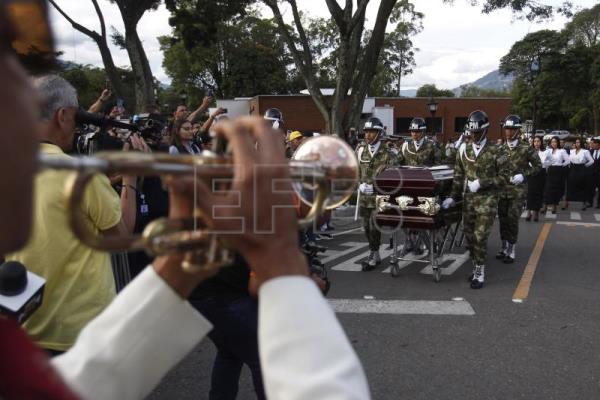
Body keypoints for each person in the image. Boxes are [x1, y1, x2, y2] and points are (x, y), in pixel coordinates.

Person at [0, 53, 370, 399]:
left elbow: (91, 375)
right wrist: (288, 271)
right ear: (64, 116)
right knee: (261, 355)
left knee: (231, 354)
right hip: (92, 320)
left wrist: (179, 270)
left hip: (42, 324)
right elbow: (122, 232)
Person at [4, 75, 138, 355]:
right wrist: (130, 179)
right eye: (77, 116)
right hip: (81, 332)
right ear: (62, 115)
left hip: (24, 325)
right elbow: (122, 236)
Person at [442, 110, 509, 289]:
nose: (474, 136)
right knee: (470, 236)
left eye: (477, 132)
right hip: (469, 200)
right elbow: (458, 175)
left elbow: (505, 177)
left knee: (480, 236)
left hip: (487, 200)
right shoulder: (464, 149)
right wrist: (452, 197)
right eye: (471, 132)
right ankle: (475, 263)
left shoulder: (496, 150)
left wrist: (482, 182)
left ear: (486, 130)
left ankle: (479, 270)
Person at [495, 115, 542, 263]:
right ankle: (503, 247)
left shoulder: (525, 148)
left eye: (512, 129)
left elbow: (538, 166)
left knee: (512, 219)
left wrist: (524, 175)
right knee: (502, 219)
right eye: (507, 129)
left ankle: (512, 249)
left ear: (517, 130)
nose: (508, 132)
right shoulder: (500, 148)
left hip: (518, 191)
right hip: (502, 190)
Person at [356, 117, 398, 271]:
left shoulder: (389, 154)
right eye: (366, 131)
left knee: (374, 227)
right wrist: (359, 185)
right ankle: (375, 252)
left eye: (372, 131)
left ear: (379, 133)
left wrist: (376, 187)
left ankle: (373, 254)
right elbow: (356, 172)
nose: (368, 135)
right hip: (365, 198)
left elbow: (394, 177)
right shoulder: (361, 151)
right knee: (366, 227)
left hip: (381, 198)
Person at [543, 136, 570, 214]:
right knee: (547, 188)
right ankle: (545, 205)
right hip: (550, 170)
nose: (553, 143)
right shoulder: (548, 151)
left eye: (555, 142)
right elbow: (544, 160)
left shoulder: (562, 151)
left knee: (555, 189)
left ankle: (554, 206)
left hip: (558, 170)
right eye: (552, 142)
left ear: (558, 142)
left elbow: (568, 161)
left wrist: (561, 165)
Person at [566, 137, 594, 210]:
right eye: (576, 142)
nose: (577, 144)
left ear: (581, 143)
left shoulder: (585, 151)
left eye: (578, 142)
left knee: (582, 186)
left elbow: (591, 161)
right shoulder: (572, 151)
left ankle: (583, 203)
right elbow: (569, 160)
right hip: (573, 168)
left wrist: (585, 165)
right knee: (570, 185)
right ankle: (567, 202)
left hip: (581, 169)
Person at [526, 136, 549, 222]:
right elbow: (525, 162)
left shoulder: (545, 152)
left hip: (540, 174)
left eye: (538, 141)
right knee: (530, 193)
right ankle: (529, 212)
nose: (536, 143)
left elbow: (551, 161)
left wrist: (544, 165)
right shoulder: (529, 152)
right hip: (531, 174)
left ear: (541, 142)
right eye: (535, 141)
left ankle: (536, 213)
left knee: (538, 193)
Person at [588, 138, 600, 208]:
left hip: (599, 174)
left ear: (599, 145)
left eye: (595, 145)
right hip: (592, 174)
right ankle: (590, 202)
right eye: (593, 144)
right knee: (590, 188)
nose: (594, 146)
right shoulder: (590, 151)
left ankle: (599, 204)